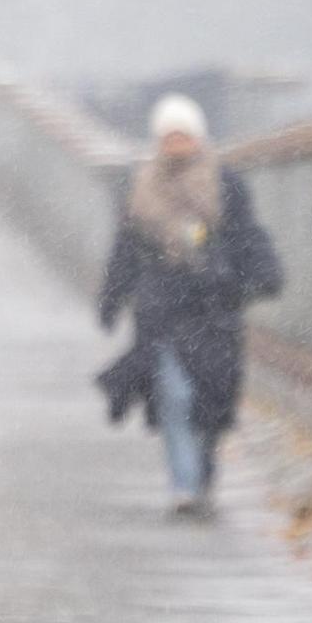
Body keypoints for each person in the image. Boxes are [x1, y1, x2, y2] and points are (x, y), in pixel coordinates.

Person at [94, 95, 280, 517]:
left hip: (214, 312)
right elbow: (125, 250)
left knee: (210, 400)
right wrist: (112, 298)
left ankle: (203, 473)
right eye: (169, 136)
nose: (176, 143)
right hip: (162, 312)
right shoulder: (138, 187)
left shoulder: (226, 184)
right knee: (173, 396)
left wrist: (254, 277)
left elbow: (248, 237)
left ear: (197, 137)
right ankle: (185, 484)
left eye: (183, 135)